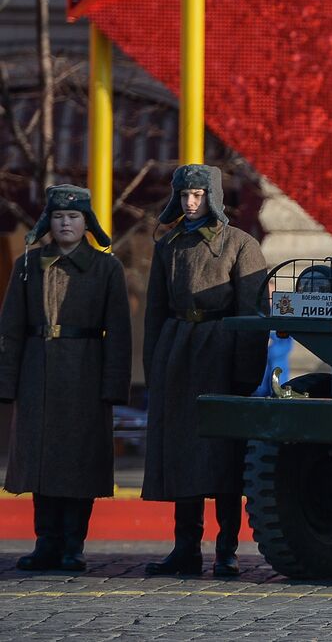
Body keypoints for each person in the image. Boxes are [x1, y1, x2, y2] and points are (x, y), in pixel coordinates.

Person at [142, 165, 268, 577]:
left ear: (212, 196)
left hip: (220, 355)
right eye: (184, 195)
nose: (190, 202)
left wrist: (246, 373)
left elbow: (253, 315)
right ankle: (185, 548)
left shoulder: (240, 244)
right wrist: (154, 367)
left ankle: (227, 549)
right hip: (178, 354)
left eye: (197, 195)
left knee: (224, 458)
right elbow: (155, 313)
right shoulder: (169, 245)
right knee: (183, 454)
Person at [0, 185, 131, 571]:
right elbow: (10, 327)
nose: (65, 223)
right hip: (37, 374)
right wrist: (7, 381)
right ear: (48, 221)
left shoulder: (107, 268)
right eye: (58, 216)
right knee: (41, 461)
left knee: (80, 462)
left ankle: (74, 544)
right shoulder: (28, 265)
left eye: (73, 216)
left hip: (86, 374)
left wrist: (114, 385)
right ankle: (46, 542)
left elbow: (119, 332)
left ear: (86, 222)